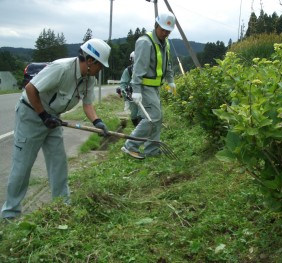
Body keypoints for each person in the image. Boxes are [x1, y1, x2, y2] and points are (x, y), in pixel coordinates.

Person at [1, 38, 111, 219]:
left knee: (58, 164)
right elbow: (30, 89)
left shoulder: (88, 79)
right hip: (31, 115)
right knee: (23, 166)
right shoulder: (62, 68)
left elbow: (88, 105)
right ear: (90, 61)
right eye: (101, 65)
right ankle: (10, 214)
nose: (101, 70)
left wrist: (97, 122)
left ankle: (62, 206)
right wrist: (43, 115)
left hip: (53, 120)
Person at [121, 11, 176, 159]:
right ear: (156, 25)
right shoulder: (145, 42)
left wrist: (170, 81)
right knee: (153, 117)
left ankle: (151, 150)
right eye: (162, 29)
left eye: (168, 31)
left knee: (157, 118)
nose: (165, 33)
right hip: (144, 87)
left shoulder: (165, 43)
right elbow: (138, 68)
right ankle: (130, 146)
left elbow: (167, 63)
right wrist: (136, 90)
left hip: (155, 87)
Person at [118, 51, 141, 127]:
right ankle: (136, 127)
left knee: (142, 113)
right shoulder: (128, 70)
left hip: (144, 94)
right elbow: (123, 83)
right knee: (134, 113)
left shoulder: (145, 69)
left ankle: (141, 129)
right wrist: (125, 92)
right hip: (131, 95)